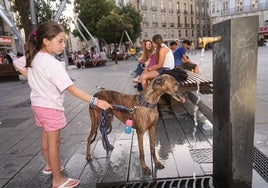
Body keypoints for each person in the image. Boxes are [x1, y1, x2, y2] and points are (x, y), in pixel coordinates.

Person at [13, 21, 112, 188]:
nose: (64, 45)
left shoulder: (35, 56)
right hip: (51, 108)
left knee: (45, 137)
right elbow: (71, 89)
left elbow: (17, 63)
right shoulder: (52, 64)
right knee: (54, 143)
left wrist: (31, 76)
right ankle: (57, 180)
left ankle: (49, 166)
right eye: (60, 41)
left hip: (38, 106)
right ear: (46, 41)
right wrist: (96, 101)